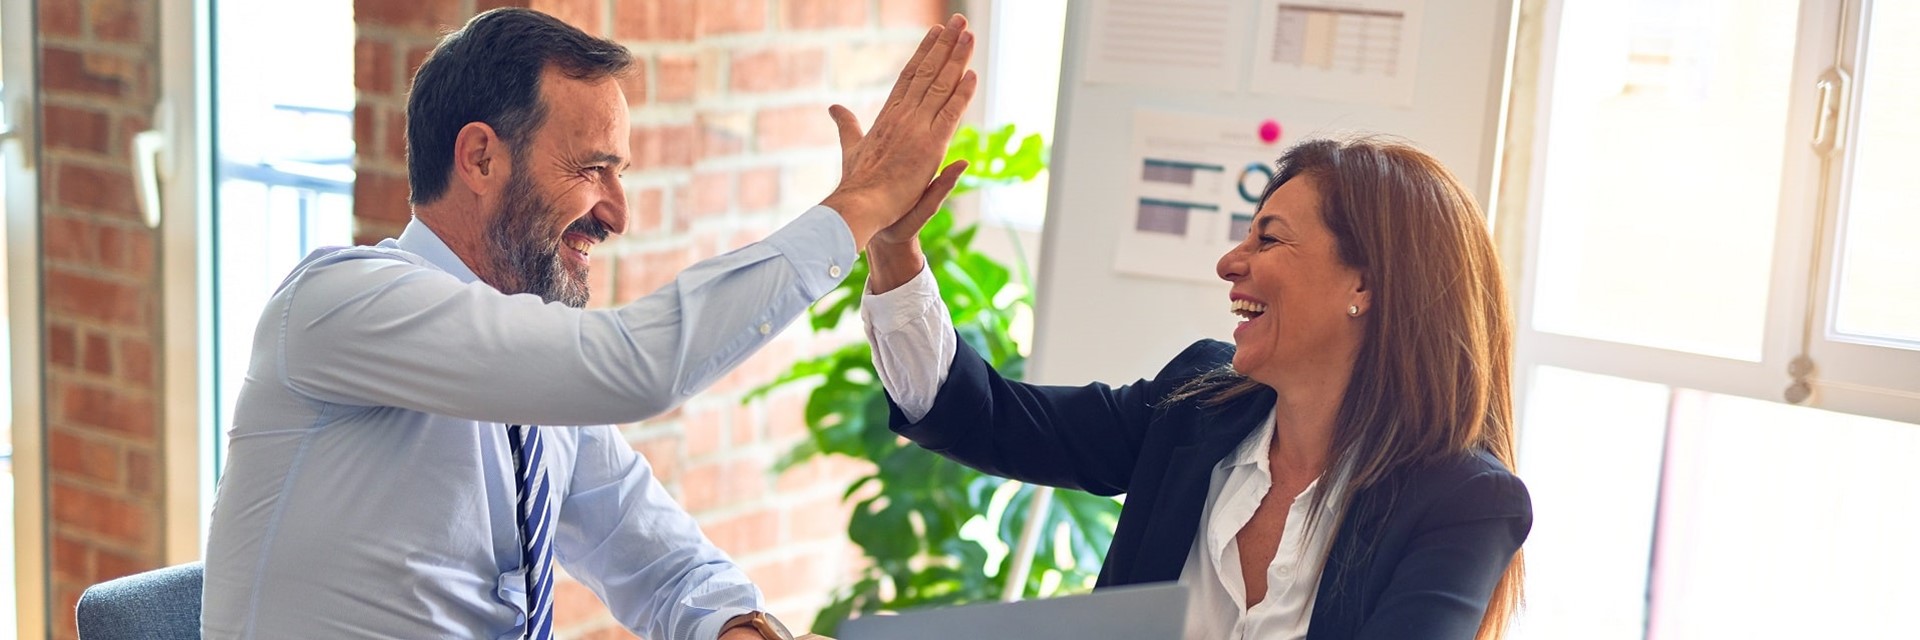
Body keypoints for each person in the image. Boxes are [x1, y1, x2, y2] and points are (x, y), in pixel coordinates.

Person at [203, 8, 977, 640]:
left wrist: (738, 631)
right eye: (590, 168)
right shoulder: (341, 305)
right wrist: (857, 209)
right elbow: (633, 367)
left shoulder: (532, 377)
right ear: (479, 159)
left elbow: (659, 563)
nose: (617, 213)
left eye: (621, 173)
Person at [860, 137, 1530, 639]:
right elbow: (988, 418)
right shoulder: (1196, 405)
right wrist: (893, 250)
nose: (1230, 264)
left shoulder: (1464, 502)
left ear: (1365, 285)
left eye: (1268, 240)